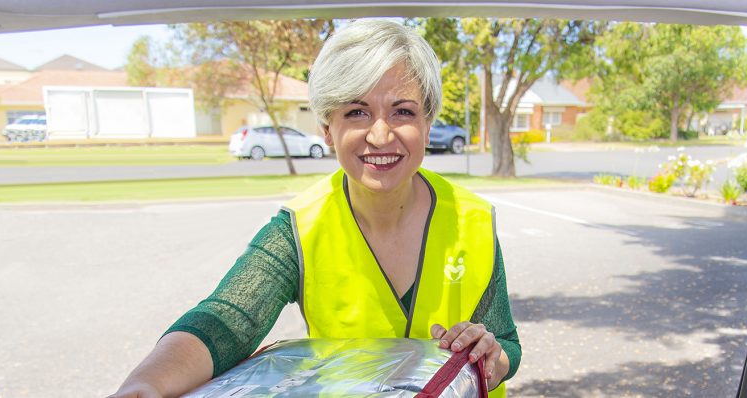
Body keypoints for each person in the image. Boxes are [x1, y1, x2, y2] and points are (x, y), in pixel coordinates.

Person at [111, 19, 520, 398]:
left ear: (427, 123)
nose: (380, 134)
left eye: (403, 111)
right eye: (357, 112)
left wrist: (490, 358)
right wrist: (144, 386)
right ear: (327, 128)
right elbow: (226, 321)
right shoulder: (299, 227)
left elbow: (506, 343)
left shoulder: (474, 218)